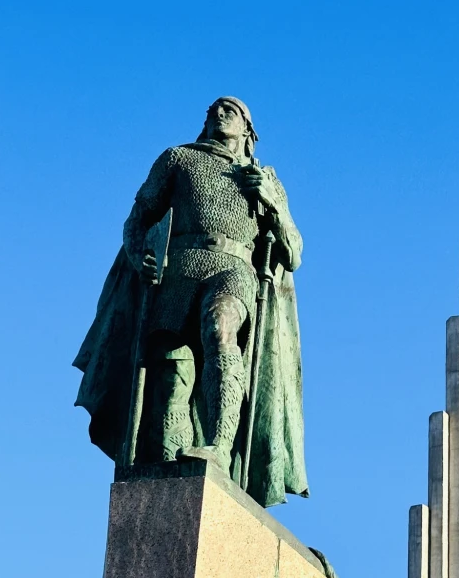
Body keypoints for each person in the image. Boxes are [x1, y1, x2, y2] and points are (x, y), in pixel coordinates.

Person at [73, 97, 308, 508]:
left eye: (229, 111)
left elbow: (294, 252)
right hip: (179, 273)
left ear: (248, 132)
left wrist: (271, 200)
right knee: (170, 373)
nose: (218, 114)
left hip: (233, 269)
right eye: (213, 110)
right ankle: (170, 470)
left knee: (220, 330)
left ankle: (218, 445)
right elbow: (138, 218)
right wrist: (137, 255)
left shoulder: (263, 177)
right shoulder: (178, 159)